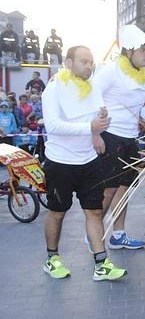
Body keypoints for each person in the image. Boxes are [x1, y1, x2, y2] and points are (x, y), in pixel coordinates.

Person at [42, 45, 126, 280]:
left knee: (94, 212)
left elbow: (98, 114)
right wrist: (89, 128)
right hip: (60, 162)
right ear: (69, 63)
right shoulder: (54, 88)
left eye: (91, 62)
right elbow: (53, 126)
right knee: (57, 213)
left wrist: (99, 126)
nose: (89, 66)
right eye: (83, 61)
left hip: (89, 161)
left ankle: (102, 264)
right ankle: (52, 258)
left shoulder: (92, 86)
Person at [92, 25, 145, 250]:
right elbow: (92, 97)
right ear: (128, 50)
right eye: (143, 49)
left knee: (125, 188)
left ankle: (118, 235)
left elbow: (140, 110)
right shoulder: (110, 71)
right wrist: (95, 134)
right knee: (108, 189)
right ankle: (94, 233)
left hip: (131, 140)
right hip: (110, 137)